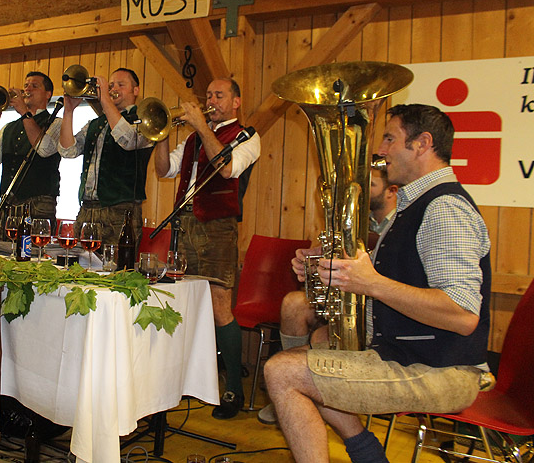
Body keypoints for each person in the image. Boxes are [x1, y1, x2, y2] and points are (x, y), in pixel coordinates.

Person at [263, 104, 492, 463]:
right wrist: (328, 268)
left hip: (442, 371)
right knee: (308, 352)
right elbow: (394, 277)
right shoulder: (414, 206)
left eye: (389, 139)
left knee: (281, 372)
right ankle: (369, 454)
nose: (380, 151)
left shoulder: (444, 208)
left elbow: (463, 315)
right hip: (411, 357)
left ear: (422, 143)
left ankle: (365, 451)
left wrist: (371, 283)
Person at [257, 158, 399, 424]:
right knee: (293, 304)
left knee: (324, 337)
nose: (364, 191)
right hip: (346, 301)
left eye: (371, 185)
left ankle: (304, 389)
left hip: (378, 311)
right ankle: (294, 389)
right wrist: (314, 263)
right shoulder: (355, 222)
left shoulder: (397, 226)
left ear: (392, 191)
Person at [153, 78, 260, 419]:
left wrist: (201, 125)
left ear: (236, 102)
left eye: (219, 95)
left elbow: (227, 169)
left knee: (219, 306)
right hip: (184, 223)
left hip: (217, 227)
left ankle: (233, 388)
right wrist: (161, 134)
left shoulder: (247, 136)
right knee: (183, 301)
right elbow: (163, 170)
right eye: (209, 94)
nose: (211, 99)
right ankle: (188, 380)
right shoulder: (192, 139)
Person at [59, 68, 152, 247]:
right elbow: (67, 151)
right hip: (87, 210)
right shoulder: (96, 124)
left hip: (120, 212)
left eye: (120, 85)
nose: (113, 89)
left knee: (117, 263)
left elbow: (127, 140)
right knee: (81, 263)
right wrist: (68, 111)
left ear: (136, 90)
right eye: (110, 86)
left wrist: (105, 99)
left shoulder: (144, 120)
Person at [0, 71, 61, 237]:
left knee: (33, 252)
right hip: (8, 204)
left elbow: (44, 149)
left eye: (34, 86)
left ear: (48, 94)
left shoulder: (56, 123)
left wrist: (24, 112)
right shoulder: (9, 127)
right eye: (26, 85)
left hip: (39, 205)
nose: (27, 89)